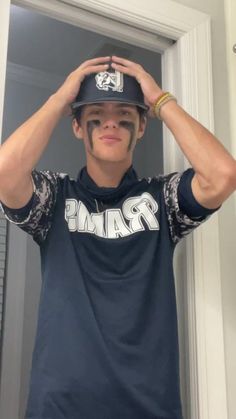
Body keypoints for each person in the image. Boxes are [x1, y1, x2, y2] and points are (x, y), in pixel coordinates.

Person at [0, 55, 235, 419]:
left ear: (141, 126)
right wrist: (62, 98)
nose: (111, 121)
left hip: (148, 408)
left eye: (125, 114)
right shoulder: (55, 200)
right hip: (60, 408)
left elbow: (222, 175)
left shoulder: (162, 201)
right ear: (78, 125)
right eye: (97, 112)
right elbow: (4, 174)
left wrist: (160, 100)